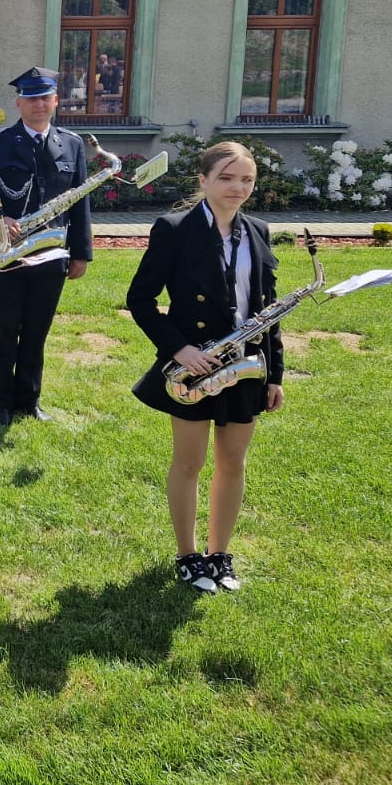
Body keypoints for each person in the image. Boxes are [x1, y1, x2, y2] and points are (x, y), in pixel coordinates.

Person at [127, 141, 283, 595]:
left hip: (245, 364)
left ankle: (219, 554)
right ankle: (188, 555)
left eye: (247, 179)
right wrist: (181, 350)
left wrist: (274, 374)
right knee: (190, 462)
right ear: (203, 180)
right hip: (196, 364)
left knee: (233, 462)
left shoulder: (258, 230)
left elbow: (268, 311)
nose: (238, 188)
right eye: (226, 178)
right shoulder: (174, 228)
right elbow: (141, 299)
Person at [0, 66, 92, 426]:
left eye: (45, 98)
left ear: (56, 101)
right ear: (19, 103)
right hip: (9, 252)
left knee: (37, 331)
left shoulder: (72, 144)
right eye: (31, 98)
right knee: (4, 330)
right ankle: (2, 404)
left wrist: (81, 253)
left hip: (52, 253)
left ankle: (29, 400)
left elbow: (80, 202)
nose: (38, 104)